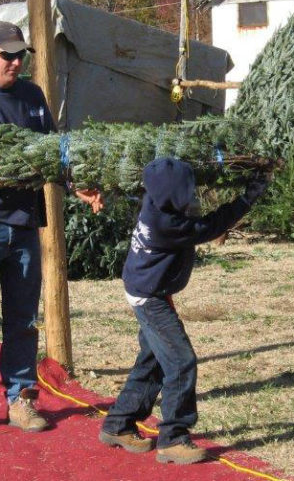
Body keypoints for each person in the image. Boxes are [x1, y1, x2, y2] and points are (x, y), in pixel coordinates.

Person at [0, 21, 102, 439]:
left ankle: (21, 398)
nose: (15, 61)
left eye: (20, 55)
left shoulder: (32, 97)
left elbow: (53, 150)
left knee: (24, 320)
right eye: (7, 54)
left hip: (26, 224)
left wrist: (74, 181)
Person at [99, 157, 268, 465]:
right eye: (187, 191)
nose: (191, 196)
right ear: (174, 195)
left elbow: (175, 182)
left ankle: (118, 424)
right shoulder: (169, 225)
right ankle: (174, 438)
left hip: (146, 289)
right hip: (150, 298)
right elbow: (213, 224)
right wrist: (248, 195)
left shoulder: (155, 201)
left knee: (153, 361)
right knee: (180, 361)